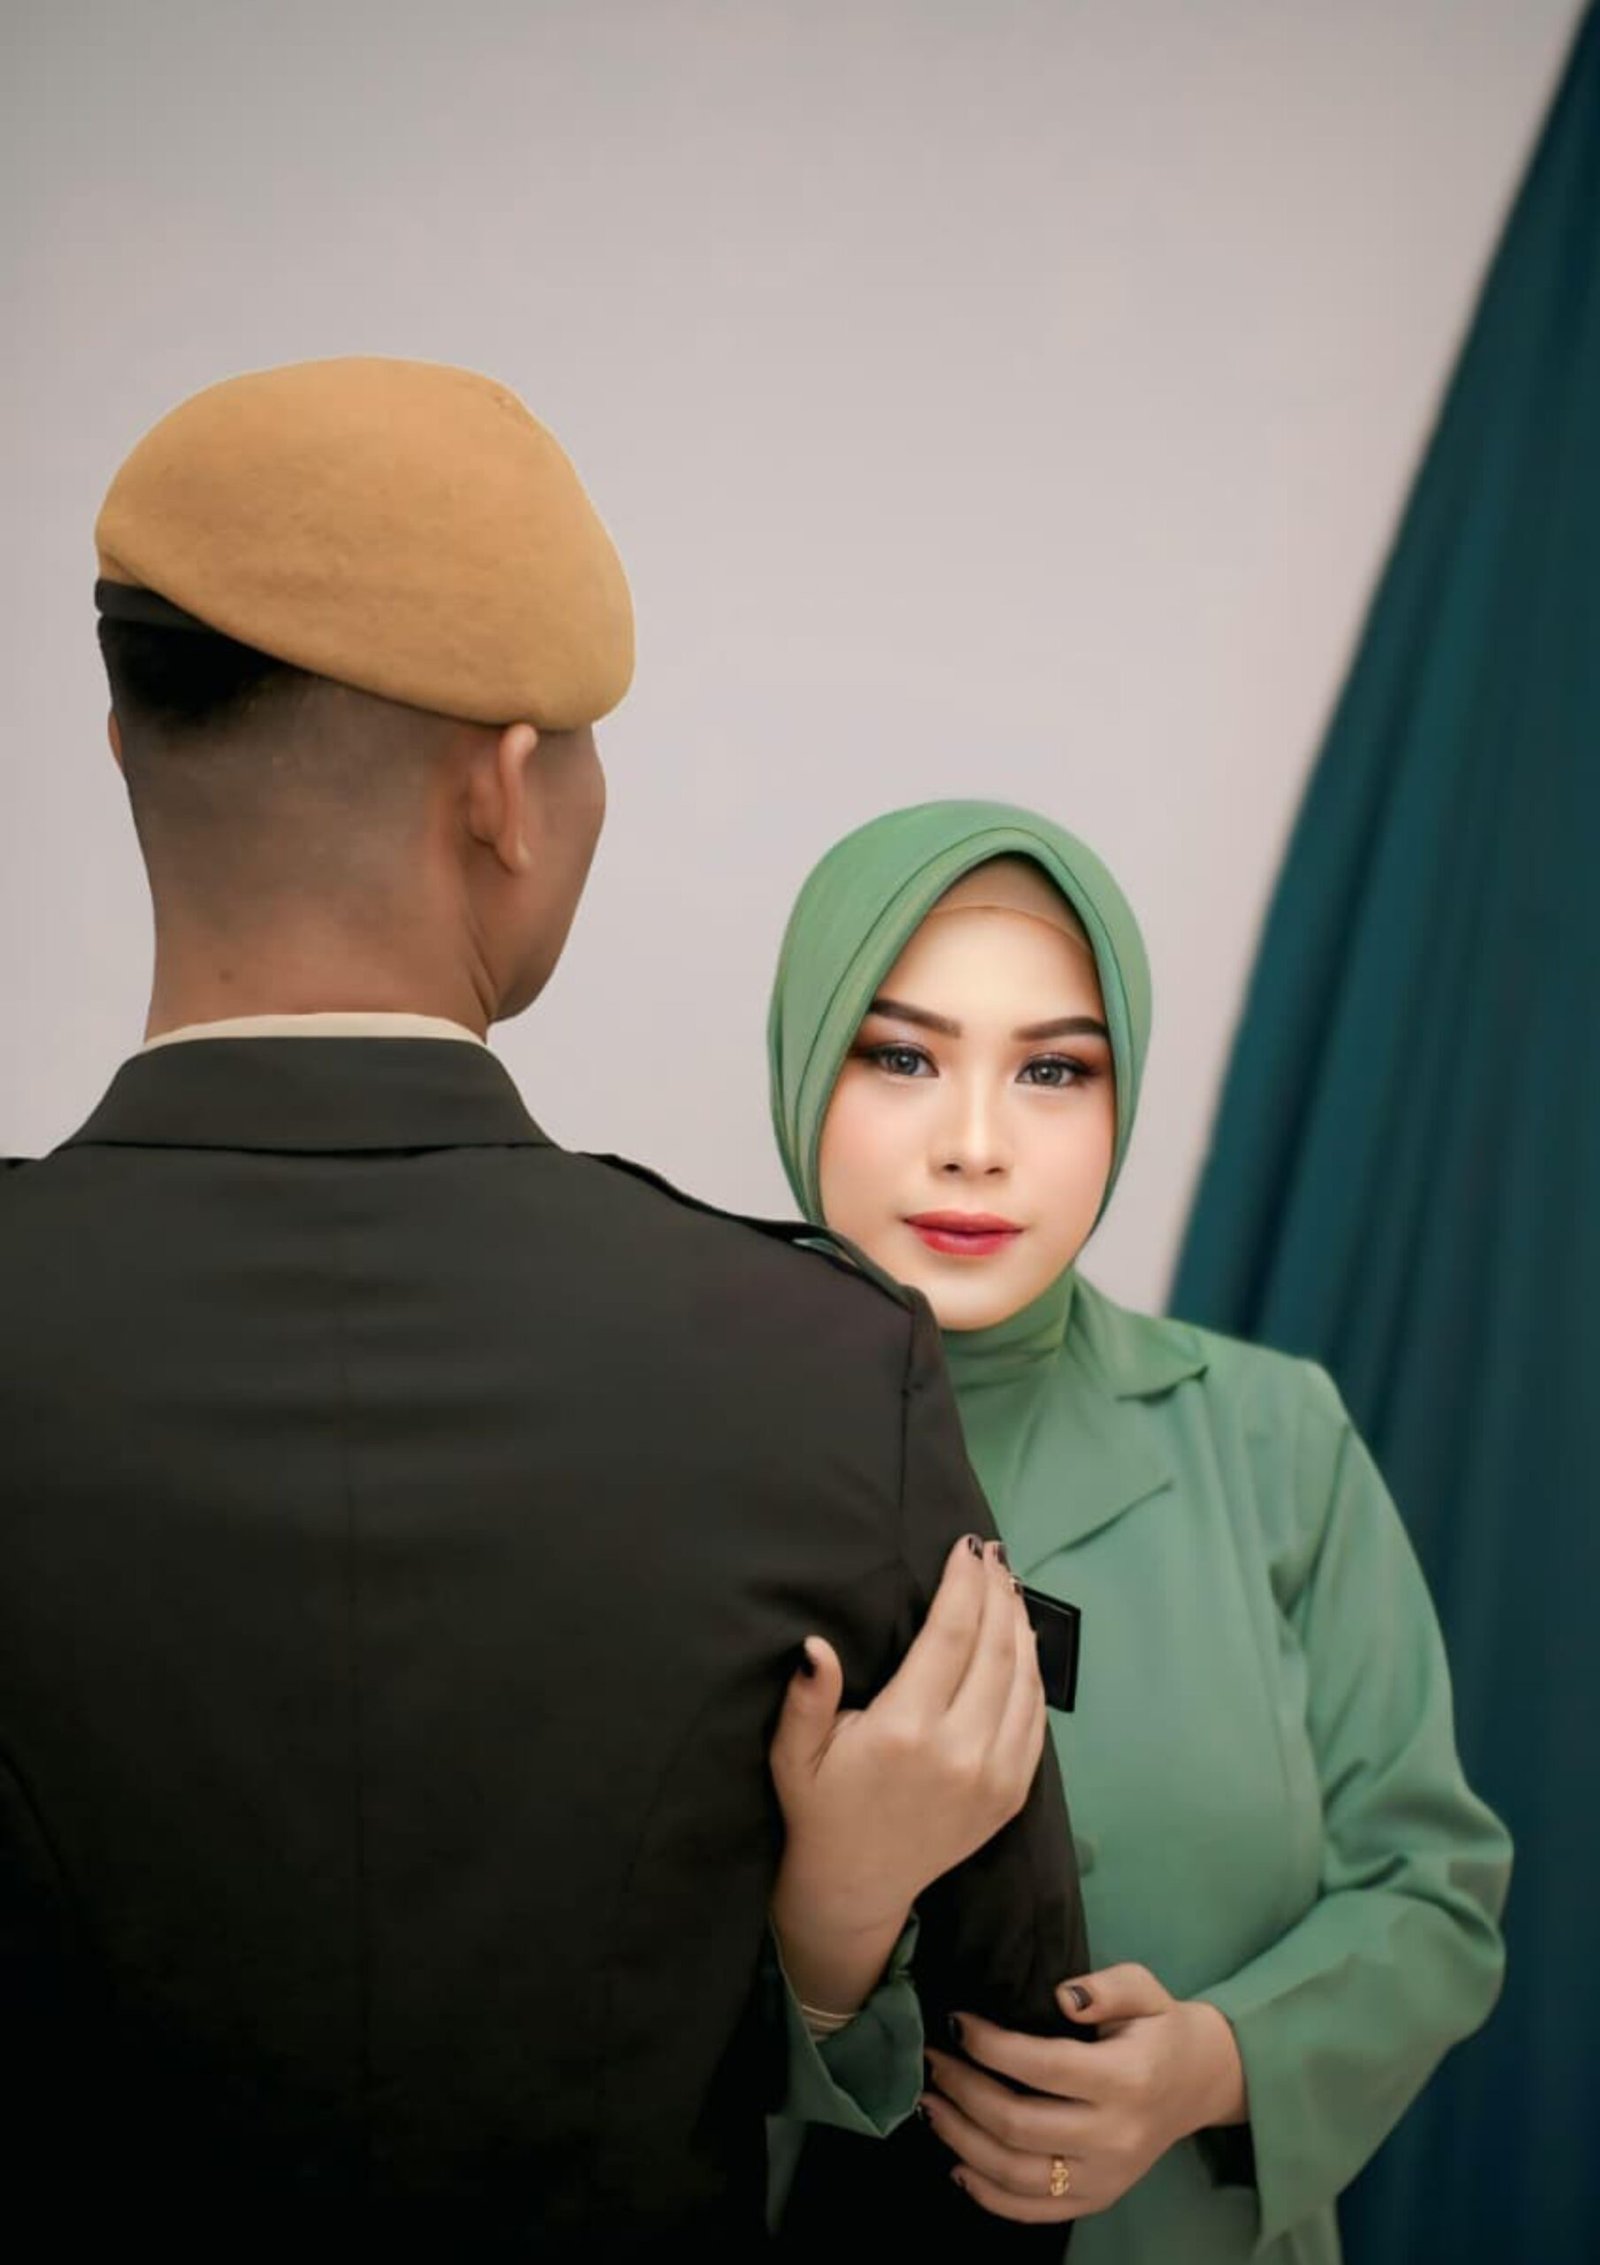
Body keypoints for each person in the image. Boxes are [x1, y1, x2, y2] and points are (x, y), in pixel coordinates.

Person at [0, 366, 1088, 2257]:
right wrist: (826, 1959)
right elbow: (1017, 2136)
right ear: (505, 796)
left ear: (120, 748)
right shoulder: (822, 1370)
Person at [766, 798, 1512, 2264]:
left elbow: (1435, 1894)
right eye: (902, 1055)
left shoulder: (1276, 1440)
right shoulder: (670, 1462)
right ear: (805, 1062)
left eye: (1053, 1069)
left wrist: (1217, 2064)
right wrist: (827, 1933)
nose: (975, 1145)